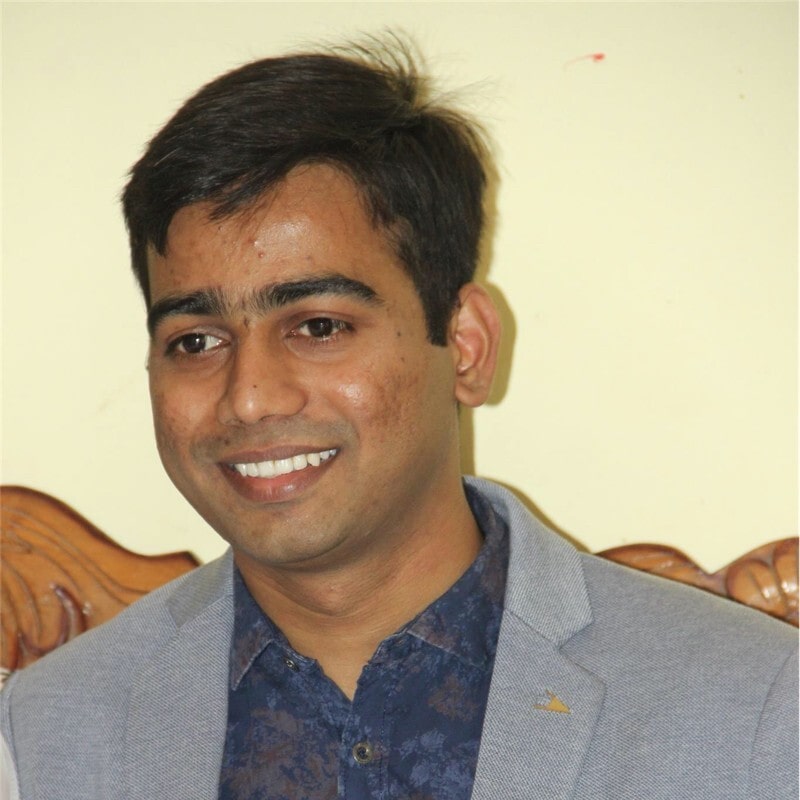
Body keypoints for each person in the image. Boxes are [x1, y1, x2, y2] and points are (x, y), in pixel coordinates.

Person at [1, 39, 796, 800]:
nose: (249, 397)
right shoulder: (44, 735)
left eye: (319, 326)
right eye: (196, 341)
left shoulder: (756, 708)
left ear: (467, 346)